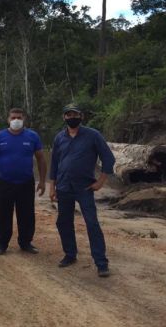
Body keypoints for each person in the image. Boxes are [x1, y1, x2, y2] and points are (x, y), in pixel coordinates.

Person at [49, 104, 116, 277]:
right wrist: (52, 187)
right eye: (68, 114)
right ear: (64, 117)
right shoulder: (59, 138)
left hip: (84, 187)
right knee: (63, 222)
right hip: (63, 187)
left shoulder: (93, 135)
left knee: (92, 223)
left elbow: (108, 158)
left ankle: (101, 263)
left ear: (81, 116)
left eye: (75, 114)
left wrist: (101, 181)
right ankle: (70, 255)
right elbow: (54, 163)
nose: (72, 117)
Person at [0, 108, 47, 255]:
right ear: (8, 120)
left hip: (26, 182)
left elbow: (41, 159)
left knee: (27, 214)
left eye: (19, 117)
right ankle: (1, 244)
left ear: (24, 119)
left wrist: (43, 181)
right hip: (5, 182)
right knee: (4, 214)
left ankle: (26, 242)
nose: (16, 120)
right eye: (13, 118)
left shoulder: (32, 136)